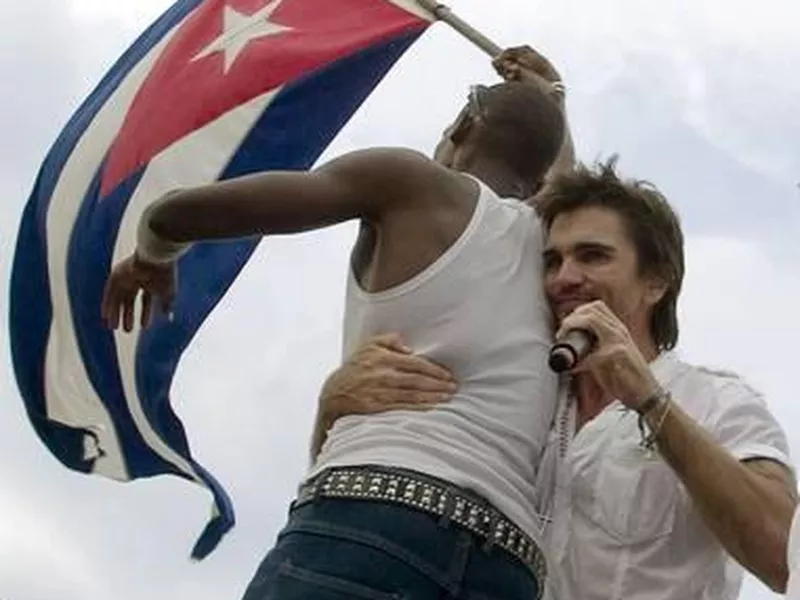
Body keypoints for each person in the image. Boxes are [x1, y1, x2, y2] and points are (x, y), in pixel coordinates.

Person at [102, 77, 568, 600]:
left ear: (462, 125)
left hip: (375, 519)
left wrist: (153, 251)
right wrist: (553, 99)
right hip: (509, 568)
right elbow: (570, 178)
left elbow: (182, 212)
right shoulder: (564, 259)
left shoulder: (411, 183)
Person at [319, 159, 798, 599]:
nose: (564, 277)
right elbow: (339, 477)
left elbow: (782, 556)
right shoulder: (514, 391)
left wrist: (651, 403)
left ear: (657, 281)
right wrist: (334, 405)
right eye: (553, 260)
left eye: (593, 256)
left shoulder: (717, 401)